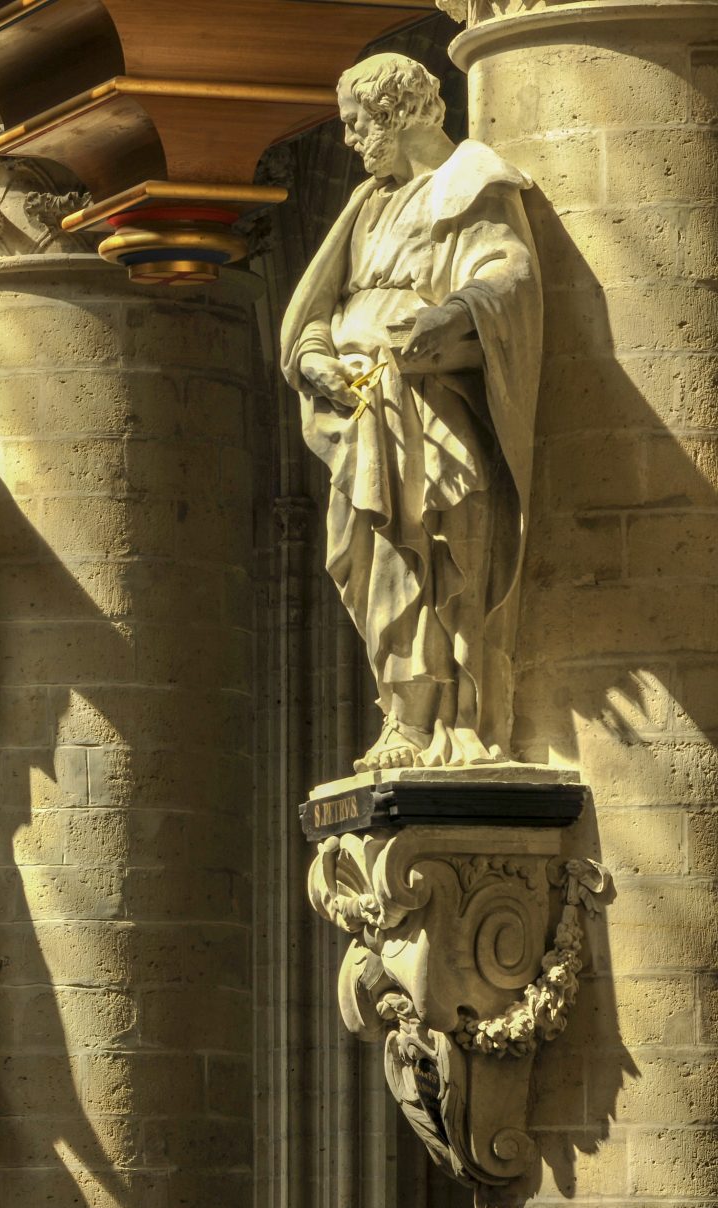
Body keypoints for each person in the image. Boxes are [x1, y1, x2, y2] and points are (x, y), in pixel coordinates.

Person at [281, 53, 543, 772]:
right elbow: (322, 305)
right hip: (361, 410)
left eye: (355, 122)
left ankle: (436, 720)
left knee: (431, 557)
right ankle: (401, 716)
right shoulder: (366, 204)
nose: (348, 139)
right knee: (371, 561)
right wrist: (314, 355)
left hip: (430, 404)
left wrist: (452, 314)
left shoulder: (472, 181)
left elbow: (508, 273)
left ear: (394, 112)